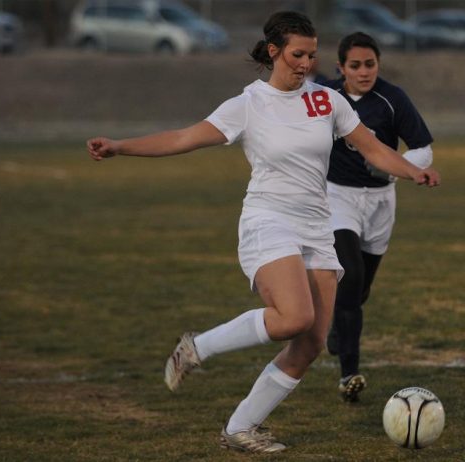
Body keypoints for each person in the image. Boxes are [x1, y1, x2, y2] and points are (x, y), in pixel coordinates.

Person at [86, 13, 440, 454]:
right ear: (273, 51)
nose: (306, 64)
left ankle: (240, 428)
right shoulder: (249, 104)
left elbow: (372, 148)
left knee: (310, 345)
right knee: (294, 317)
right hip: (268, 219)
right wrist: (121, 146)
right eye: (297, 55)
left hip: (317, 226)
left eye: (312, 55)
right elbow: (182, 138)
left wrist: (412, 171)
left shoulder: (327, 101)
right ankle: (198, 346)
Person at [323, 32, 436, 402]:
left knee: (360, 289)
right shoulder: (324, 96)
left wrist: (396, 170)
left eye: (369, 64)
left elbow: (422, 148)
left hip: (381, 203)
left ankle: (339, 329)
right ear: (341, 68)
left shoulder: (393, 98)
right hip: (337, 197)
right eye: (355, 65)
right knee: (350, 275)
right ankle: (349, 375)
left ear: (378, 64)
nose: (363, 71)